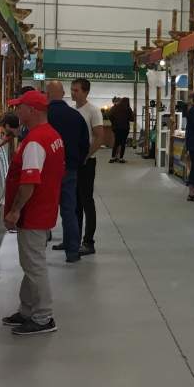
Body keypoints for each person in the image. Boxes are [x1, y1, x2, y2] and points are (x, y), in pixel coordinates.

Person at [1, 90, 65, 336]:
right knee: (32, 263)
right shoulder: (52, 135)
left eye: (20, 107)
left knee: (34, 265)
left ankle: (43, 317)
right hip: (45, 207)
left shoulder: (36, 141)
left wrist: (15, 210)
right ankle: (27, 310)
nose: (17, 111)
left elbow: (29, 182)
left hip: (33, 212)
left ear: (32, 110)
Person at [44, 80, 89, 263]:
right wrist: (77, 162)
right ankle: (72, 251)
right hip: (69, 169)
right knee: (69, 211)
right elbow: (84, 144)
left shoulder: (43, 115)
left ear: (47, 95)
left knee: (43, 209)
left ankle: (38, 251)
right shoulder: (75, 116)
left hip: (46, 170)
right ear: (63, 94)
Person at [70, 77, 106, 254]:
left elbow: (99, 136)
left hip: (86, 162)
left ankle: (88, 242)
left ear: (86, 92)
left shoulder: (93, 111)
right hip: (74, 161)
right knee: (75, 202)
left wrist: (87, 156)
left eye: (76, 90)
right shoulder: (73, 111)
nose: (73, 93)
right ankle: (74, 239)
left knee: (86, 201)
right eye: (72, 89)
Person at [107, 97, 134, 163]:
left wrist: (114, 122)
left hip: (116, 128)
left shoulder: (115, 107)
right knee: (123, 143)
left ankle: (113, 157)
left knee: (116, 142)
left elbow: (109, 115)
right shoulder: (128, 108)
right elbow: (132, 119)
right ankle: (121, 158)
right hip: (125, 128)